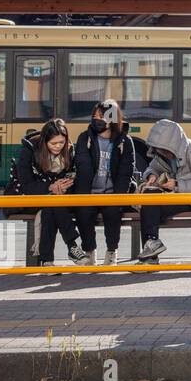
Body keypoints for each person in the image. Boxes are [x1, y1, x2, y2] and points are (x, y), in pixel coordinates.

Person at [136, 119, 191, 262]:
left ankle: (150, 255)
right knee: (149, 200)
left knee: (150, 206)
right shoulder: (163, 153)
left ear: (173, 145)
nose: (160, 153)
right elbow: (152, 167)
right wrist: (151, 175)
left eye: (163, 150)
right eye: (158, 149)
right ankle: (152, 244)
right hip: (182, 195)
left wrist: (176, 185)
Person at [18, 119, 93, 267]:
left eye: (62, 142)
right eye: (53, 143)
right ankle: (72, 246)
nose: (58, 146)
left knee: (51, 206)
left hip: (60, 200)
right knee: (53, 203)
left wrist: (64, 187)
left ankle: (47, 261)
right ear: (44, 141)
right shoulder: (30, 150)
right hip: (31, 198)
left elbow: (75, 180)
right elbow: (26, 186)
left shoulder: (70, 150)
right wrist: (50, 187)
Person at [71, 100, 135, 266]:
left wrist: (117, 197)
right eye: (95, 116)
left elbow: (125, 173)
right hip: (89, 193)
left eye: (101, 117)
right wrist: (84, 196)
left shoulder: (125, 141)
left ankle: (111, 251)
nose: (96, 119)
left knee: (113, 213)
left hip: (112, 193)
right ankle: (89, 251)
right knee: (84, 213)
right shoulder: (85, 138)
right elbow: (82, 165)